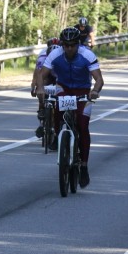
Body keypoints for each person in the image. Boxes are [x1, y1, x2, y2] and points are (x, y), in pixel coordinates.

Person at [35, 27, 103, 188]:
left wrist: (94, 91)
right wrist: (40, 89)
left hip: (82, 91)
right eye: (66, 45)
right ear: (62, 45)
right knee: (57, 117)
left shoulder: (87, 55)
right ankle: (62, 143)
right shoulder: (55, 54)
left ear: (78, 44)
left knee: (82, 124)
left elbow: (99, 79)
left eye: (72, 45)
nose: (69, 48)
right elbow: (41, 75)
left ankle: (84, 165)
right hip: (63, 87)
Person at [31, 37, 60, 130]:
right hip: (46, 74)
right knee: (41, 85)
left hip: (58, 75)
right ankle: (42, 109)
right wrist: (34, 87)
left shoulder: (63, 55)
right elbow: (37, 74)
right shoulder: (42, 57)